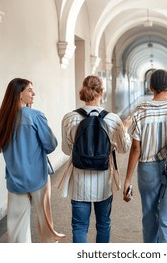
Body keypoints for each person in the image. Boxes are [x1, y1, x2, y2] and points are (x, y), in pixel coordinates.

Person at [0, 78, 65, 243]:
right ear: (19, 94)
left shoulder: (4, 119)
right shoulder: (35, 116)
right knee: (45, 227)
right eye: (29, 90)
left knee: (17, 229)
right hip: (38, 177)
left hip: (15, 179)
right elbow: (51, 145)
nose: (33, 93)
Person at [123, 69, 167, 243]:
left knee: (149, 215)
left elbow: (136, 149)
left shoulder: (140, 111)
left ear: (150, 86)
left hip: (147, 169)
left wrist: (127, 179)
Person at [59, 75, 132, 243]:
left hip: (78, 181)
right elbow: (124, 148)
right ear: (101, 92)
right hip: (104, 182)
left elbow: (66, 149)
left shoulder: (69, 118)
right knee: (103, 224)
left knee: (79, 226)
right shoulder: (113, 119)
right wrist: (125, 129)